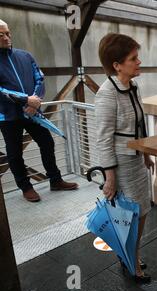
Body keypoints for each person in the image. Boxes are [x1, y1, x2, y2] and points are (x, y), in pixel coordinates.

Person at [96, 33, 154, 283]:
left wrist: (147, 154)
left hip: (137, 161)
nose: (139, 62)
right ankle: (130, 261)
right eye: (133, 58)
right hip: (121, 166)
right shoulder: (107, 93)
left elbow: (140, 124)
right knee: (130, 216)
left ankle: (130, 254)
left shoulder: (133, 86)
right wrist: (110, 178)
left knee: (141, 212)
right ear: (117, 65)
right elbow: (103, 138)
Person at [0, 19, 78, 202]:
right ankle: (26, 187)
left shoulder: (25, 56)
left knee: (47, 142)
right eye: (1, 35)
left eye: (8, 33)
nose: (6, 37)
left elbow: (39, 78)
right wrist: (25, 99)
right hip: (8, 116)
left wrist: (35, 101)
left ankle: (55, 180)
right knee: (14, 153)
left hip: (32, 112)